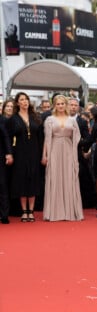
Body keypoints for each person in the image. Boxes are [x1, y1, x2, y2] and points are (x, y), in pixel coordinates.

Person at [41, 95, 83, 221]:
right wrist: (45, 155)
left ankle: (70, 211)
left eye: (62, 104)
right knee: (55, 178)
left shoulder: (72, 120)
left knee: (69, 178)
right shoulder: (49, 119)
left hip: (69, 151)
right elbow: (47, 139)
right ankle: (55, 212)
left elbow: (77, 137)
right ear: (54, 105)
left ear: (66, 105)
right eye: (58, 104)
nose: (60, 106)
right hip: (54, 150)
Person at [7, 92, 43, 222]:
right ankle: (24, 211)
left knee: (33, 179)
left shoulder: (35, 117)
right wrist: (9, 153)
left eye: (26, 99)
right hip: (20, 153)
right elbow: (9, 138)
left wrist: (43, 154)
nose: (24, 101)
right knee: (21, 180)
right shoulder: (13, 119)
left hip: (34, 152)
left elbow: (41, 138)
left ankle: (31, 211)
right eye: (21, 99)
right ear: (17, 103)